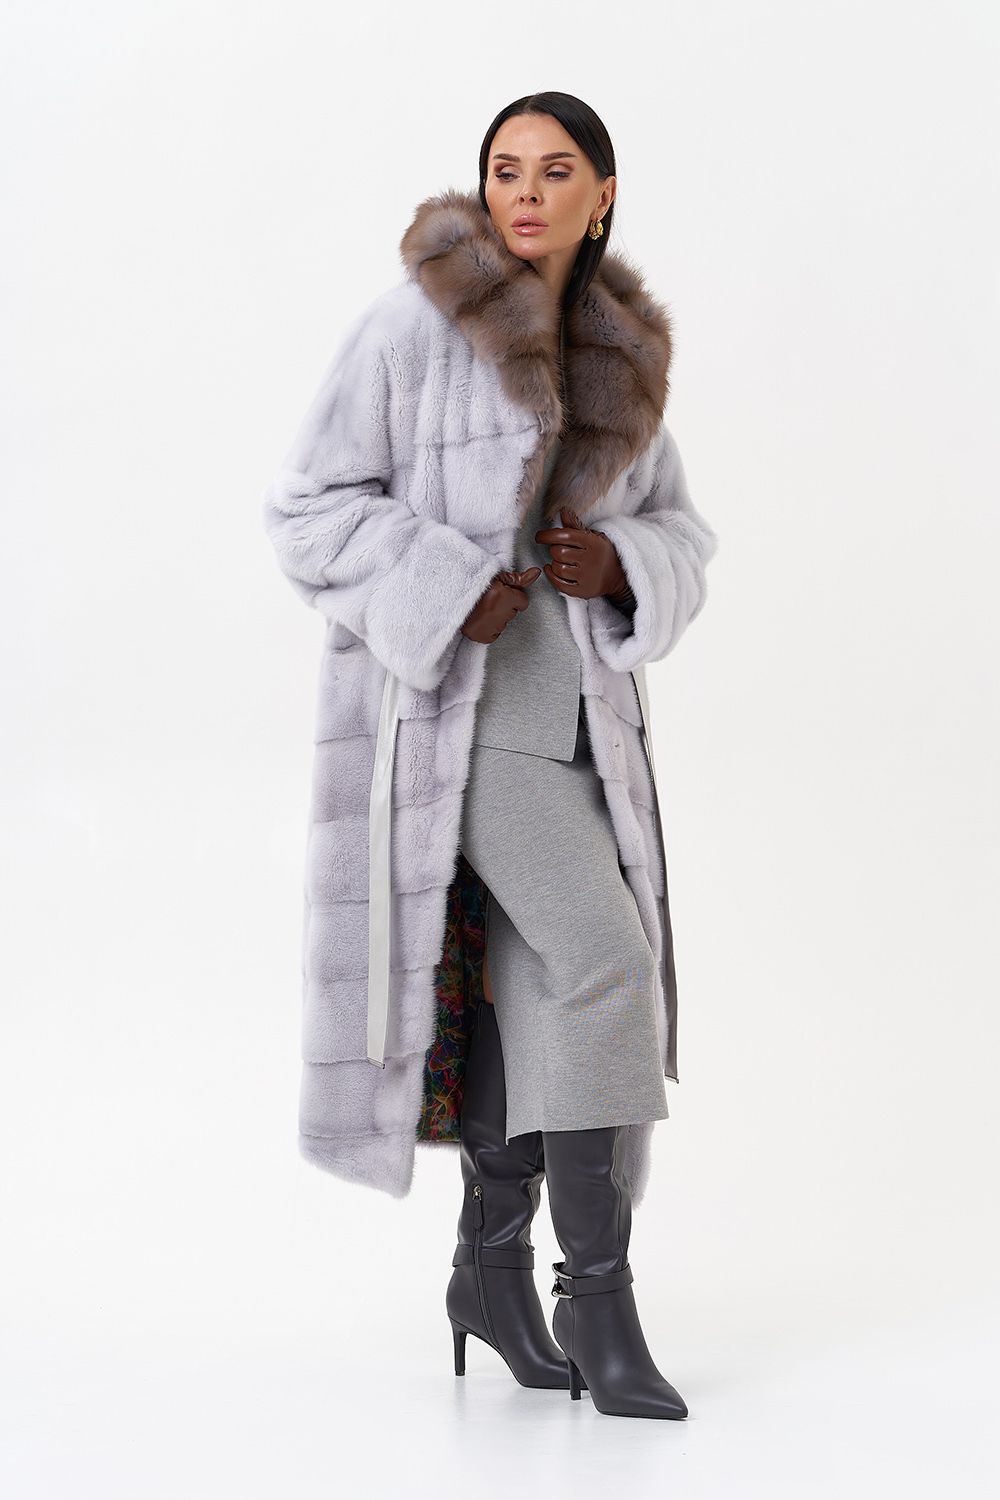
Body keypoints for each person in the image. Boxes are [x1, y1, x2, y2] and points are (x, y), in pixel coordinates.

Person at [263, 91, 717, 1419]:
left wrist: (620, 561)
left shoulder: (620, 353)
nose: (525, 191)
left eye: (554, 170)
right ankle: (602, 1305)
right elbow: (307, 508)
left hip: (586, 724)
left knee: (530, 993)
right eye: (505, 169)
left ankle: (489, 1275)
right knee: (605, 967)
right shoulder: (415, 328)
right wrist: (449, 584)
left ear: (601, 194)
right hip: (458, 724)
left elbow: (685, 530)